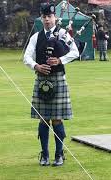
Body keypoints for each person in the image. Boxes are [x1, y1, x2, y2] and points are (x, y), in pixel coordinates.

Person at [23, 3, 79, 167]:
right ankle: (45, 155)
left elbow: (75, 51)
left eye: (50, 16)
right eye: (44, 17)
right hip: (41, 80)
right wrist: (36, 66)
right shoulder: (36, 36)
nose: (47, 19)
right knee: (43, 120)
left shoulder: (63, 34)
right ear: (41, 18)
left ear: (55, 17)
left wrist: (60, 60)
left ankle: (59, 154)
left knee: (56, 119)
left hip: (58, 78)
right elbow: (27, 57)